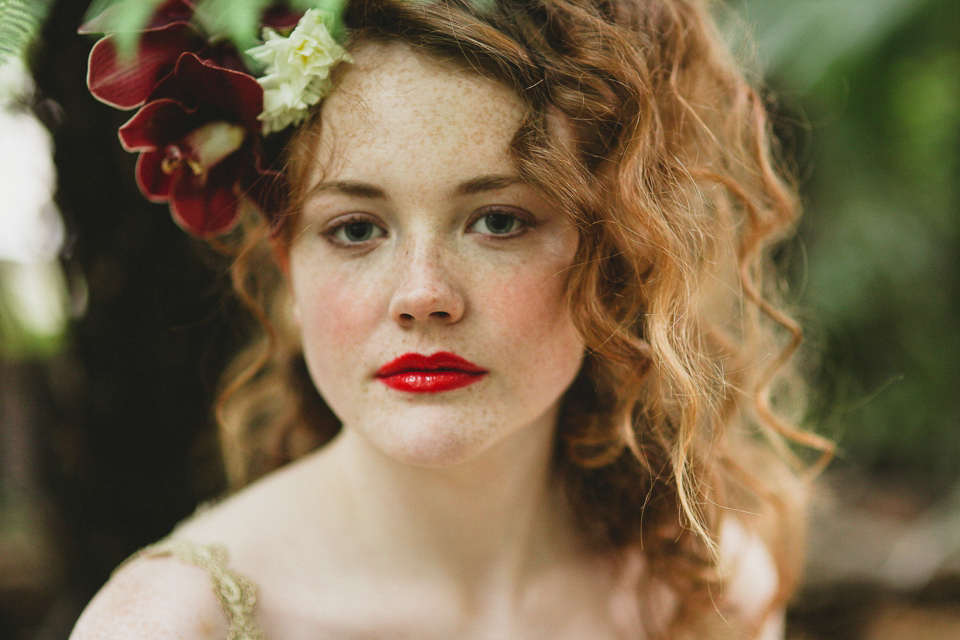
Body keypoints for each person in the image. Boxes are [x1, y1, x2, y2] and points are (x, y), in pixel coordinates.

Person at [70, 0, 831, 637]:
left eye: (498, 220)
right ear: (288, 264)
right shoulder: (167, 626)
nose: (422, 293)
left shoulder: (706, 591)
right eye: (357, 228)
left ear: (620, 253)